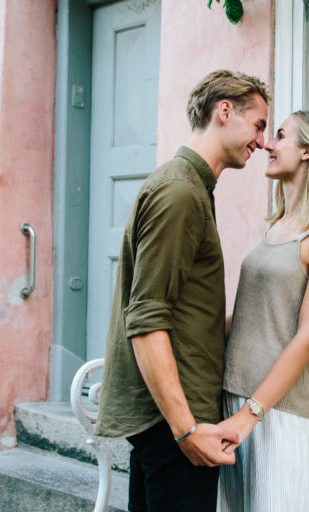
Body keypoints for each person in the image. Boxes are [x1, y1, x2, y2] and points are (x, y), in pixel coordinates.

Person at [94, 70, 270, 512]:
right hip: (175, 423)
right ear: (224, 111)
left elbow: (183, 313)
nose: (262, 141)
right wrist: (186, 429)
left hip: (175, 419)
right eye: (259, 125)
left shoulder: (193, 187)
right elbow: (147, 319)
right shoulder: (179, 191)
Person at [218, 111, 309, 511]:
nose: (267, 145)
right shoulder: (275, 226)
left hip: (277, 414)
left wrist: (250, 415)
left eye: (280, 135)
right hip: (233, 400)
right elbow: (252, 319)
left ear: (308, 151)